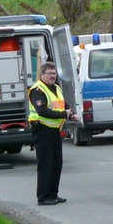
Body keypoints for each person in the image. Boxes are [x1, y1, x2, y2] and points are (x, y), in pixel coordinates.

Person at [29, 61, 77, 206]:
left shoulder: (56, 88)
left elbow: (64, 105)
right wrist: (64, 114)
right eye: (49, 73)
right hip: (42, 130)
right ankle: (43, 197)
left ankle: (53, 194)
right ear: (41, 75)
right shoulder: (37, 90)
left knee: (56, 164)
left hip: (55, 130)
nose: (52, 76)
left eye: (54, 73)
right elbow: (42, 110)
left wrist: (71, 114)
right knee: (46, 164)